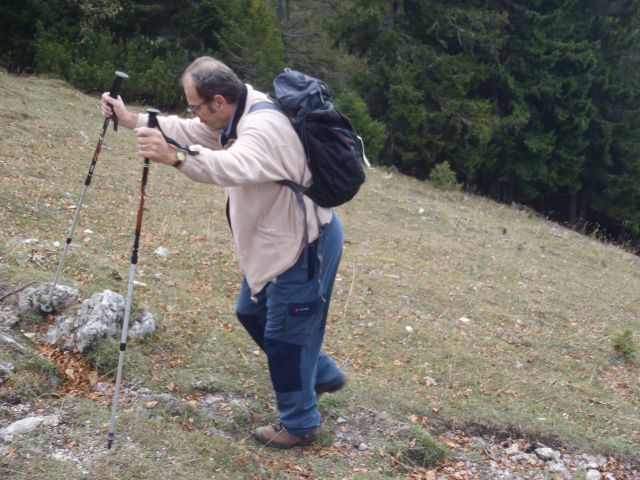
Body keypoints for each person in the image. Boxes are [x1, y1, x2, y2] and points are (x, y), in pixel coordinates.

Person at [101, 56, 346, 449]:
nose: (193, 114)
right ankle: (320, 373)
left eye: (196, 106)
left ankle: (300, 424)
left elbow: (231, 165)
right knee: (252, 311)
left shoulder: (263, 128)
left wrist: (175, 157)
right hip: (276, 242)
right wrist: (133, 120)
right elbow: (193, 132)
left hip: (301, 245)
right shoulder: (238, 111)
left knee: (286, 338)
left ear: (219, 100)